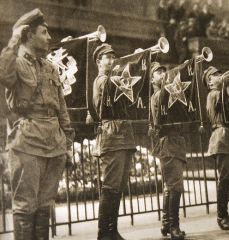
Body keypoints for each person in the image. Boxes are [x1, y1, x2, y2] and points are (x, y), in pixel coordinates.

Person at [0, 8, 74, 240]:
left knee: (45, 206)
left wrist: (67, 142)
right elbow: (3, 73)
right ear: (29, 35)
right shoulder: (18, 63)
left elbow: (61, 107)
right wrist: (14, 39)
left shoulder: (50, 67)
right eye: (44, 32)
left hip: (54, 143)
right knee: (25, 206)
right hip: (28, 143)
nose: (49, 37)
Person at [92, 43, 137, 239]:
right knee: (110, 185)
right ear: (98, 62)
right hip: (111, 135)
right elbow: (114, 86)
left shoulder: (114, 80)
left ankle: (112, 229)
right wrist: (135, 64)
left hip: (124, 135)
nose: (111, 61)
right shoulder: (102, 81)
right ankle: (104, 232)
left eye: (113, 57)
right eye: (106, 58)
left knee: (118, 185)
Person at [150, 62, 186, 240]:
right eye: (158, 73)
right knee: (176, 187)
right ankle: (174, 227)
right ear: (152, 80)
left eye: (164, 71)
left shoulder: (168, 94)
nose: (163, 74)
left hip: (175, 142)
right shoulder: (158, 96)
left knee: (170, 187)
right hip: (169, 143)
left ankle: (166, 224)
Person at [202, 66, 229, 230]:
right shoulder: (213, 94)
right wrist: (226, 83)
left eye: (219, 74)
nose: (219, 76)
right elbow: (222, 104)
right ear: (209, 82)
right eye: (215, 75)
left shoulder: (223, 91)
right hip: (221, 137)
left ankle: (225, 214)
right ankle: (220, 216)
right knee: (224, 180)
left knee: (228, 179)